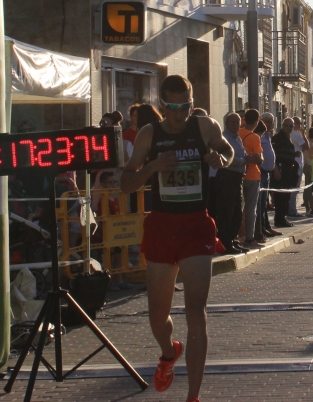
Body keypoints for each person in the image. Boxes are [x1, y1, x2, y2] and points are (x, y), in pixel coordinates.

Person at [120, 75, 233, 401]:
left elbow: (226, 150)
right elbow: (126, 183)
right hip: (162, 227)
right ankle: (169, 352)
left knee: (196, 313)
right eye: (174, 107)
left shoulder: (204, 127)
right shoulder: (148, 134)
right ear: (162, 105)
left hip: (196, 226)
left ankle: (193, 397)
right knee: (158, 316)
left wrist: (220, 158)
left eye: (186, 105)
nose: (180, 113)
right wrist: (153, 167)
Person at [209, 113, 246, 254]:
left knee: (237, 212)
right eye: (233, 122)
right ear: (226, 123)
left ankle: (232, 239)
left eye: (238, 122)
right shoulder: (224, 138)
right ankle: (225, 243)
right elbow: (230, 159)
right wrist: (245, 161)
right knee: (226, 212)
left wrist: (250, 159)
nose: (236, 125)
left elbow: (241, 156)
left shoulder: (238, 139)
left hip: (237, 178)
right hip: (226, 177)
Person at [238, 111, 265, 249]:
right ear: (255, 122)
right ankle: (249, 238)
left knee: (238, 207)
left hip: (238, 174)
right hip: (252, 175)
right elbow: (259, 158)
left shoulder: (237, 133)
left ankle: (237, 236)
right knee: (250, 209)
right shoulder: (254, 137)